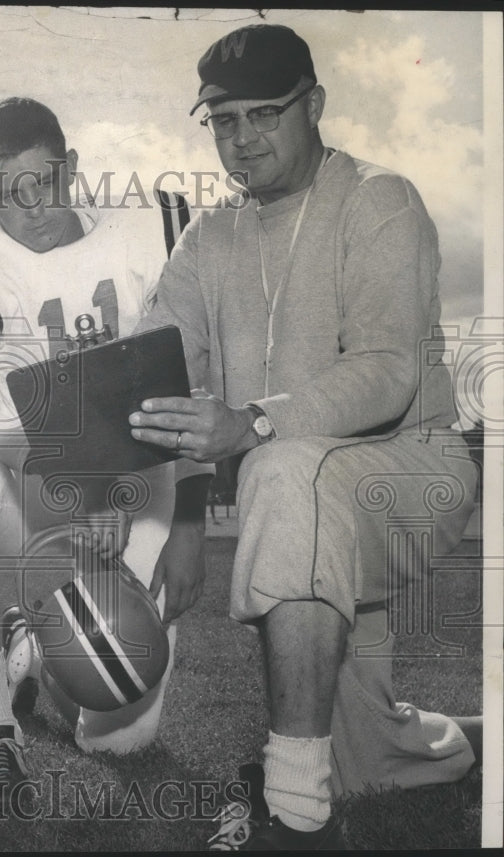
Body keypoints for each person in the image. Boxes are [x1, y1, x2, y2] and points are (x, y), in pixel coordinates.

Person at [129, 24, 481, 850]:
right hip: (302, 502)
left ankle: (294, 818)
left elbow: (391, 368)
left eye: (264, 114)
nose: (242, 139)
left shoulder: (379, 198)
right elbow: (160, 376)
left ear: (313, 104)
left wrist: (252, 420)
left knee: (282, 467)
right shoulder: (206, 237)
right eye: (223, 122)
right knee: (364, 754)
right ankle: (467, 738)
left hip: (410, 474)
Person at [0, 97, 213, 812]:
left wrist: (192, 525)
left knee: (115, 731)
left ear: (71, 168)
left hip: (149, 484)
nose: (33, 208)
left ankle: (34, 641)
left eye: (44, 183)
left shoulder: (154, 228)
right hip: (39, 491)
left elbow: (201, 383)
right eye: (8, 195)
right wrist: (89, 485)